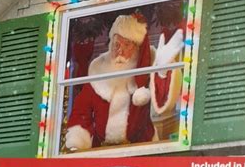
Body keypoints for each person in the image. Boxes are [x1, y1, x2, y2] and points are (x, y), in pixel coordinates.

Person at [65, 13, 183, 149]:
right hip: (100, 151)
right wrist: (77, 141)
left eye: (126, 45)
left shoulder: (145, 70)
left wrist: (162, 72)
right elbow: (81, 112)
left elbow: (162, 98)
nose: (120, 51)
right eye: (116, 44)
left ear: (137, 48)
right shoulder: (98, 71)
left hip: (141, 148)